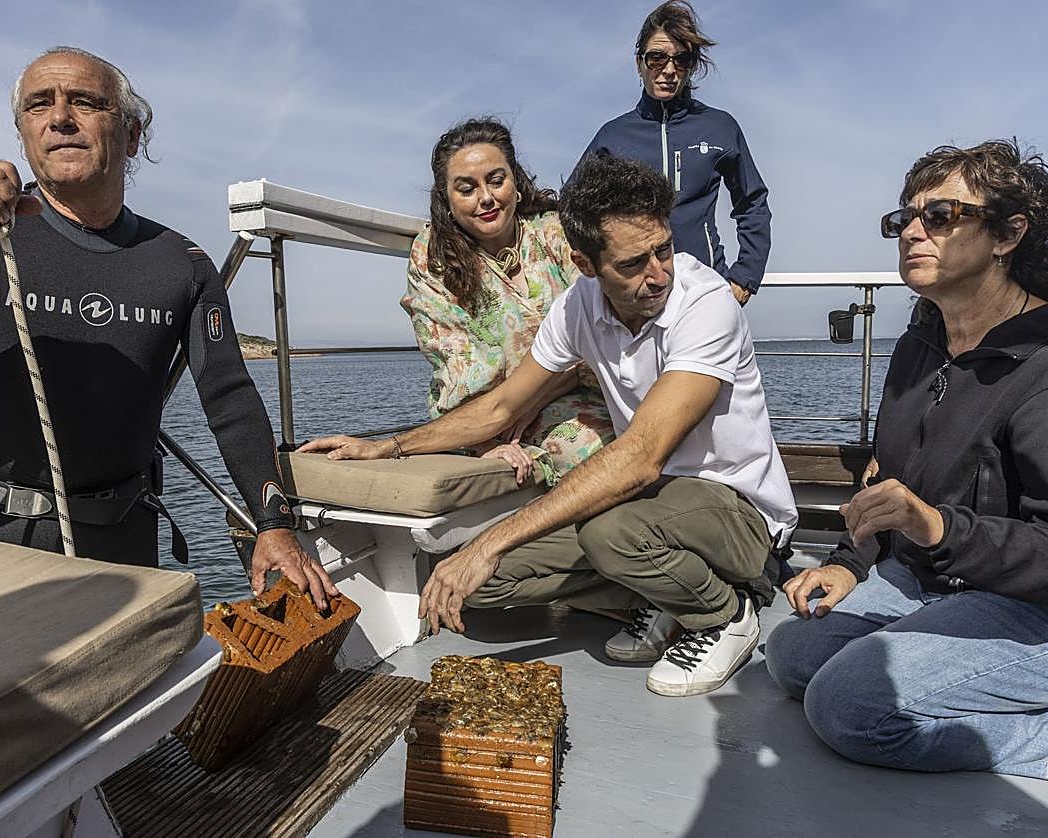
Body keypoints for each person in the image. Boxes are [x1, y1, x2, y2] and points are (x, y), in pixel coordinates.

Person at [302, 155, 796, 697]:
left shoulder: (705, 305)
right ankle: (662, 594)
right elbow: (501, 409)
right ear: (586, 264)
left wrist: (490, 540)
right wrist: (390, 445)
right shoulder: (576, 308)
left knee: (608, 533)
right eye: (633, 264)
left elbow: (641, 456)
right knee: (478, 585)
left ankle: (725, 614)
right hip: (656, 505)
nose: (658, 274)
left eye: (664, 250)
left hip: (738, 512)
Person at [0, 46, 336, 606]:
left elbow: (230, 397)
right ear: (23, 134)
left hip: (126, 534)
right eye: (39, 105)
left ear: (134, 133)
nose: (60, 118)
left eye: (85, 102)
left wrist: (273, 523)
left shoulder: (180, 261)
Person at [764, 140, 1048, 780]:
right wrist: (851, 564)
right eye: (903, 218)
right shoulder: (923, 341)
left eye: (940, 216)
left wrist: (936, 528)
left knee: (848, 707)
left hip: (1044, 608)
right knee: (792, 654)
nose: (911, 232)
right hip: (938, 579)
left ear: (1008, 233)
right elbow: (891, 475)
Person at [402, 117, 614, 486]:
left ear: (515, 182)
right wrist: (486, 437)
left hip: (575, 390)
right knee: (584, 448)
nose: (485, 197)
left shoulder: (556, 231)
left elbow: (597, 334)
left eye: (496, 181)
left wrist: (530, 400)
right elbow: (457, 364)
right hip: (486, 415)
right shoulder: (431, 256)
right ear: (446, 199)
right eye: (466, 188)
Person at [576, 0, 770, 306]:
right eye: (657, 58)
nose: (669, 69)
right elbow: (573, 210)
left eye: (681, 59)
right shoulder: (612, 135)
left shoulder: (720, 126)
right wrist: (602, 275)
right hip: (635, 298)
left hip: (705, 291)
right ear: (639, 62)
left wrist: (744, 278)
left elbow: (753, 203)